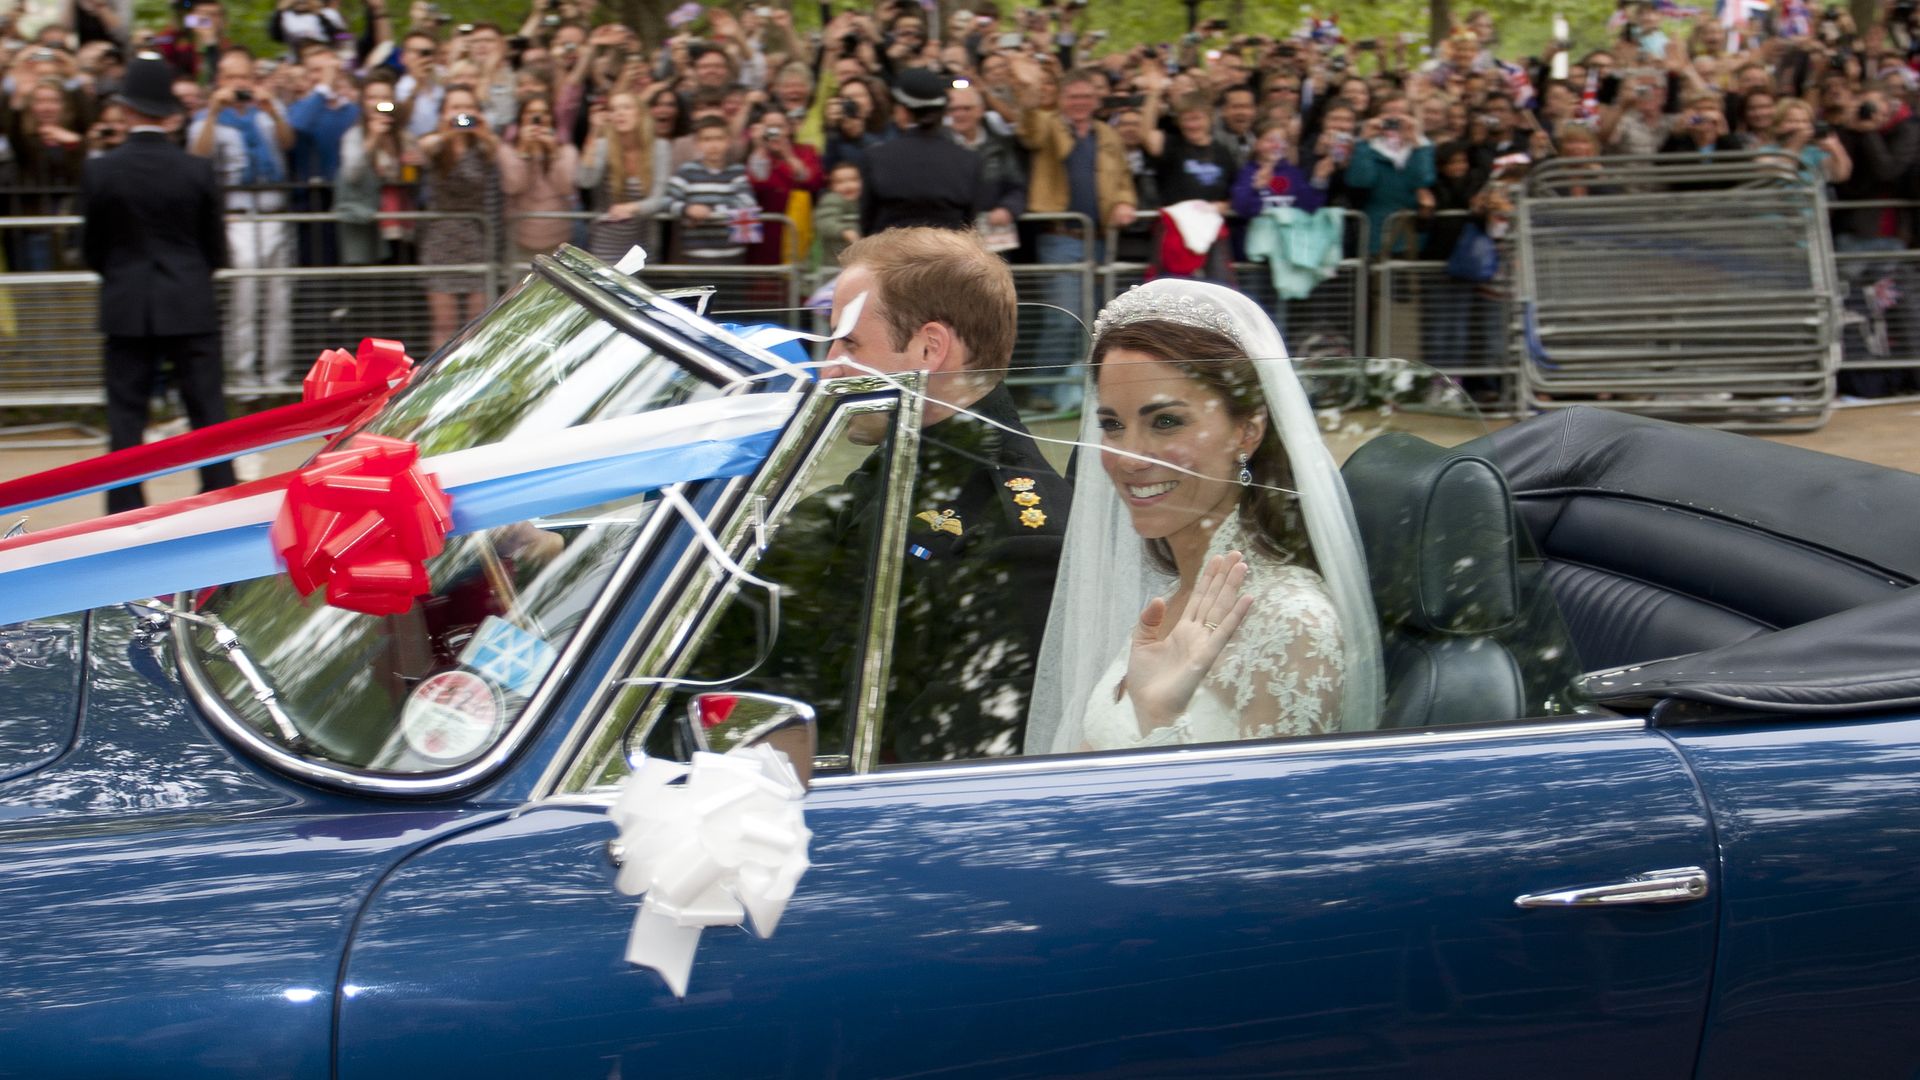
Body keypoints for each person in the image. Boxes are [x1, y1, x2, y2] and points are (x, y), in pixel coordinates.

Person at [733, 227, 1072, 763]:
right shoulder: (903, 460)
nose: (830, 368)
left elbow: (945, 768)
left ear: (929, 348)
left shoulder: (1018, 533)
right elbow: (774, 568)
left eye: (850, 343)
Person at [1028, 279, 1382, 754]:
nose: (1128, 457)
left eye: (1166, 421)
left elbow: (1273, 823)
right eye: (1112, 425)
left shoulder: (1292, 623)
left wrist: (1160, 719)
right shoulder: (1168, 594)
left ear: (1247, 432)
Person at [81, 54, 236, 515]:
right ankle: (221, 501)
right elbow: (216, 248)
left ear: (126, 110)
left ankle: (125, 510)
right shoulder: (195, 169)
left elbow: (91, 247)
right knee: (207, 412)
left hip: (127, 303)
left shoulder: (100, 170)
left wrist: (124, 276)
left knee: (126, 416)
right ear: (168, 112)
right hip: (189, 300)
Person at [416, 83, 500, 347]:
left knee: (478, 324)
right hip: (441, 240)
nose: (462, 113)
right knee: (444, 324)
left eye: (467, 107)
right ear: (443, 112)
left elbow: (502, 161)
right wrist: (448, 133)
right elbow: (422, 150)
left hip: (476, 238)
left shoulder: (484, 146)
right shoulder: (436, 143)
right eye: (455, 107)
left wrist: (485, 133)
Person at [858, 66, 983, 234]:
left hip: (891, 256)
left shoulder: (877, 158)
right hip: (948, 255)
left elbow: (867, 223)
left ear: (902, 110)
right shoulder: (968, 160)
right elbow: (970, 224)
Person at [577, 91, 670, 265]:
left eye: (626, 107)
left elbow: (660, 198)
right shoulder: (603, 146)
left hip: (642, 247)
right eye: (614, 109)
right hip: (604, 245)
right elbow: (585, 180)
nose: (619, 113)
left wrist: (632, 207)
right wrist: (594, 133)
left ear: (640, 114)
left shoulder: (660, 148)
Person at [665, 115, 757, 264]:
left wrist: (706, 212)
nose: (714, 145)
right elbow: (666, 201)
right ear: (697, 144)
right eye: (707, 139)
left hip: (733, 255)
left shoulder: (738, 172)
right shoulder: (686, 172)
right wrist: (687, 209)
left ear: (728, 142)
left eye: (719, 139)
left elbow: (747, 204)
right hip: (695, 256)